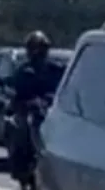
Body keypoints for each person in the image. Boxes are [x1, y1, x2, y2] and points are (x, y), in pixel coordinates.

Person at [6, 30, 63, 180]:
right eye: (35, 48)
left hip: (51, 111)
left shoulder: (56, 69)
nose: (39, 52)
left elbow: (66, 86)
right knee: (21, 130)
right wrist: (24, 100)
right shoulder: (23, 70)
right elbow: (15, 89)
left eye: (42, 48)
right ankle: (20, 166)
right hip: (28, 109)